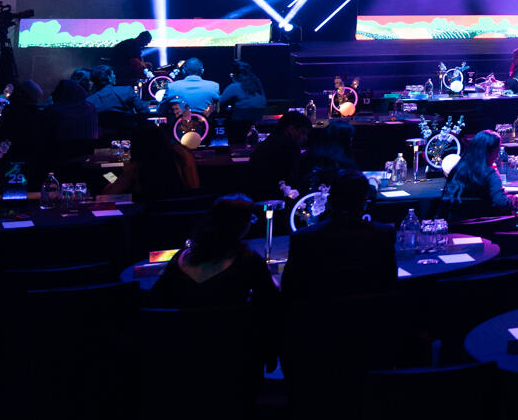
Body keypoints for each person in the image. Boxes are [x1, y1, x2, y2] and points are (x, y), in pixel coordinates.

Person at [148, 194, 281, 367]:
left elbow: (156, 302)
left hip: (181, 355)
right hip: (235, 356)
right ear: (243, 225)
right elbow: (270, 309)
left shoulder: (180, 258)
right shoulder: (249, 261)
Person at [283, 170, 396, 301]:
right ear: (365, 202)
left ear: (330, 201)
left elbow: (289, 289)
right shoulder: (384, 234)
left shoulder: (302, 239)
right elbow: (390, 283)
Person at [124, 118, 200, 202]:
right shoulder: (181, 155)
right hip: (181, 206)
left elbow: (115, 189)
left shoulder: (137, 164)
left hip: (148, 208)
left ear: (137, 147)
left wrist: (111, 176)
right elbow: (194, 187)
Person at [440, 130, 514, 215]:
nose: (498, 156)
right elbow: (501, 203)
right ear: (488, 152)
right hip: (484, 221)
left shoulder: (458, 169)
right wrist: (514, 199)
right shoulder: (490, 174)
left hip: (455, 220)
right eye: (497, 151)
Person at [246, 110, 311, 200]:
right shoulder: (289, 147)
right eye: (303, 132)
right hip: (276, 199)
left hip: (255, 197)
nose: (305, 138)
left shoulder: (269, 142)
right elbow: (293, 182)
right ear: (291, 129)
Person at [218, 67, 268, 144]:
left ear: (236, 75)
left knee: (224, 122)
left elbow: (221, 101)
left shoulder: (235, 86)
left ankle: (233, 146)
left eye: (231, 75)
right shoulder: (257, 84)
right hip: (257, 115)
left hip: (242, 117)